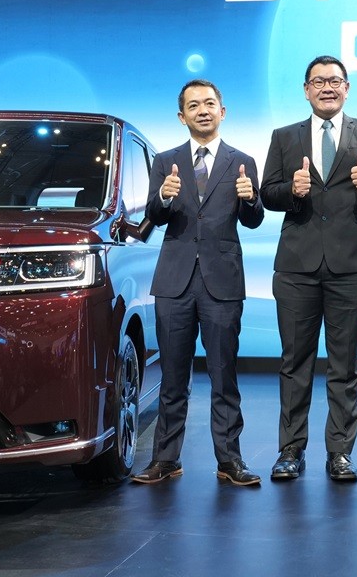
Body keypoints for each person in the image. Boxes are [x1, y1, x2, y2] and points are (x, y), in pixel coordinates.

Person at [260, 55, 357, 482]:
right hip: (296, 265)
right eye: (319, 81)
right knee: (295, 362)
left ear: (347, 88)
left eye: (335, 81)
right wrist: (292, 189)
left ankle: (340, 451)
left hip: (352, 263)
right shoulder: (284, 136)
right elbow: (268, 193)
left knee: (345, 363)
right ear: (306, 90)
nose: (327, 87)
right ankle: (290, 450)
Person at [132, 79, 265, 487]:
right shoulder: (165, 161)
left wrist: (250, 198)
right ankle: (165, 459)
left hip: (222, 281)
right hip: (174, 282)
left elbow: (253, 219)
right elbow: (154, 216)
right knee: (173, 378)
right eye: (193, 105)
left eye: (209, 103)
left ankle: (230, 460)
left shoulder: (243, 161)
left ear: (222, 111)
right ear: (182, 116)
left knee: (225, 376)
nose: (202, 110)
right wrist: (164, 197)